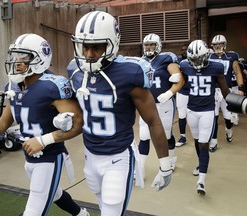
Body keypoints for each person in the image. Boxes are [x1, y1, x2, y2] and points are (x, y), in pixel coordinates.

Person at [0, 33, 89, 216]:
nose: (16, 62)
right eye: (15, 56)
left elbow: (78, 122)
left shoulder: (53, 86)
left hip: (49, 158)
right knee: (55, 194)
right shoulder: (13, 87)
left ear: (40, 59)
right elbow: (3, 123)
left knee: (34, 210)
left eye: (24, 57)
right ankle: (82, 214)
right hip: (29, 159)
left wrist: (43, 140)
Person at [67, 11, 173, 216]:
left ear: (112, 44)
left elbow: (153, 120)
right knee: (102, 204)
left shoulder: (129, 72)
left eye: (96, 46)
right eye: (84, 46)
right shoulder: (74, 70)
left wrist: (165, 164)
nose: (89, 54)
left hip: (118, 156)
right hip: (89, 155)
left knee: (111, 209)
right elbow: (77, 107)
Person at [181, 39, 230, 195]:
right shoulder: (184, 65)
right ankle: (200, 163)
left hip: (207, 110)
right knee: (196, 140)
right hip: (191, 110)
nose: (195, 61)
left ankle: (201, 180)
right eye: (193, 59)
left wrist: (235, 103)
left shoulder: (216, 67)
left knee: (203, 144)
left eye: (198, 58)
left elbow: (224, 89)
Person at [138, 33, 185, 177]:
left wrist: (169, 93)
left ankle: (171, 159)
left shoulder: (166, 59)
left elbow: (180, 81)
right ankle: (139, 168)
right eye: (147, 44)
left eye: (151, 44)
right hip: (146, 104)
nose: (149, 47)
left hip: (164, 104)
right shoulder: (140, 61)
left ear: (158, 45)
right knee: (144, 135)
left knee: (166, 134)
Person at [208, 34, 245, 152]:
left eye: (220, 44)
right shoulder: (209, 56)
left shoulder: (231, 56)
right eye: (216, 44)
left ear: (224, 45)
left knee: (228, 117)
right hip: (213, 90)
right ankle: (213, 141)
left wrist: (240, 88)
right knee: (213, 116)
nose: (218, 46)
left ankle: (229, 130)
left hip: (226, 90)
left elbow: (238, 72)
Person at [175, 44, 190, 147]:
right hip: (182, 92)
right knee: (182, 115)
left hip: (194, 92)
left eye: (186, 50)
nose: (184, 51)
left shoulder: (195, 60)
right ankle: (182, 136)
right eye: (182, 50)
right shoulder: (177, 61)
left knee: (196, 115)